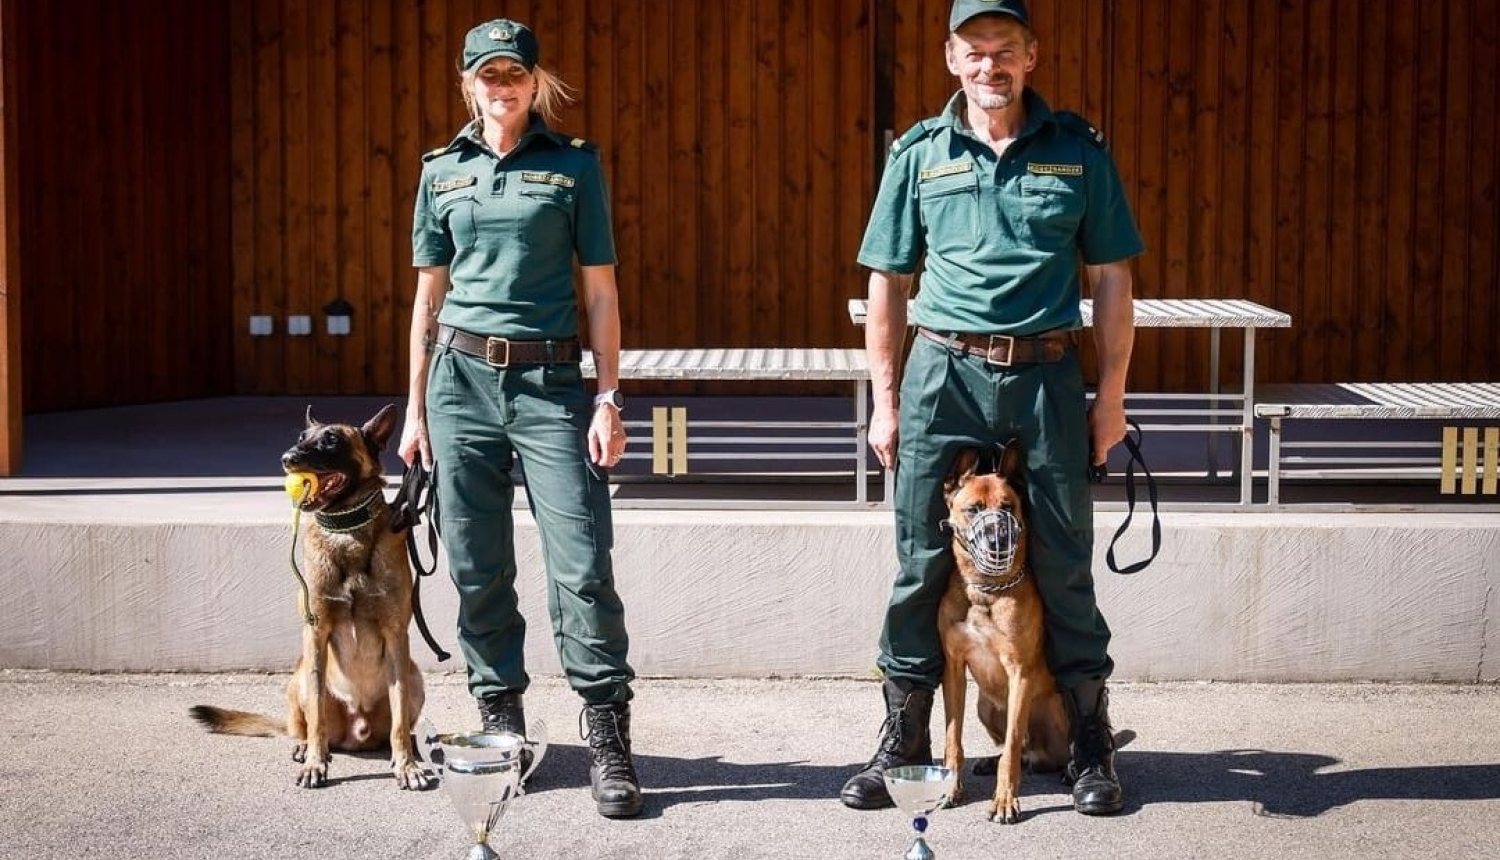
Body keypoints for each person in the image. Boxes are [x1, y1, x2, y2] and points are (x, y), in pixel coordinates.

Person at [839, 0, 1143, 817]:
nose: (989, 65)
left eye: (1004, 50)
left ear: (1031, 56)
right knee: (919, 563)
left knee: (1064, 561)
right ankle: (902, 740)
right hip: (942, 370)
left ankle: (1087, 740)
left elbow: (1112, 279)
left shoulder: (1077, 153)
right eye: (974, 51)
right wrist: (886, 399)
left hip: (1045, 375)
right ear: (951, 58)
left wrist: (1109, 399)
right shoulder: (917, 154)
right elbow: (886, 282)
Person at [399, 17, 642, 819]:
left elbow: (600, 291)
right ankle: (500, 723)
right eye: (487, 76)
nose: (502, 89)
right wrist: (415, 410)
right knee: (476, 565)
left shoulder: (574, 168)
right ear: (467, 84)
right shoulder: (441, 171)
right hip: (459, 383)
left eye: (515, 75)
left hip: (550, 386)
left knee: (581, 564)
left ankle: (607, 730)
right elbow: (427, 301)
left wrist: (608, 397)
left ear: (536, 82)